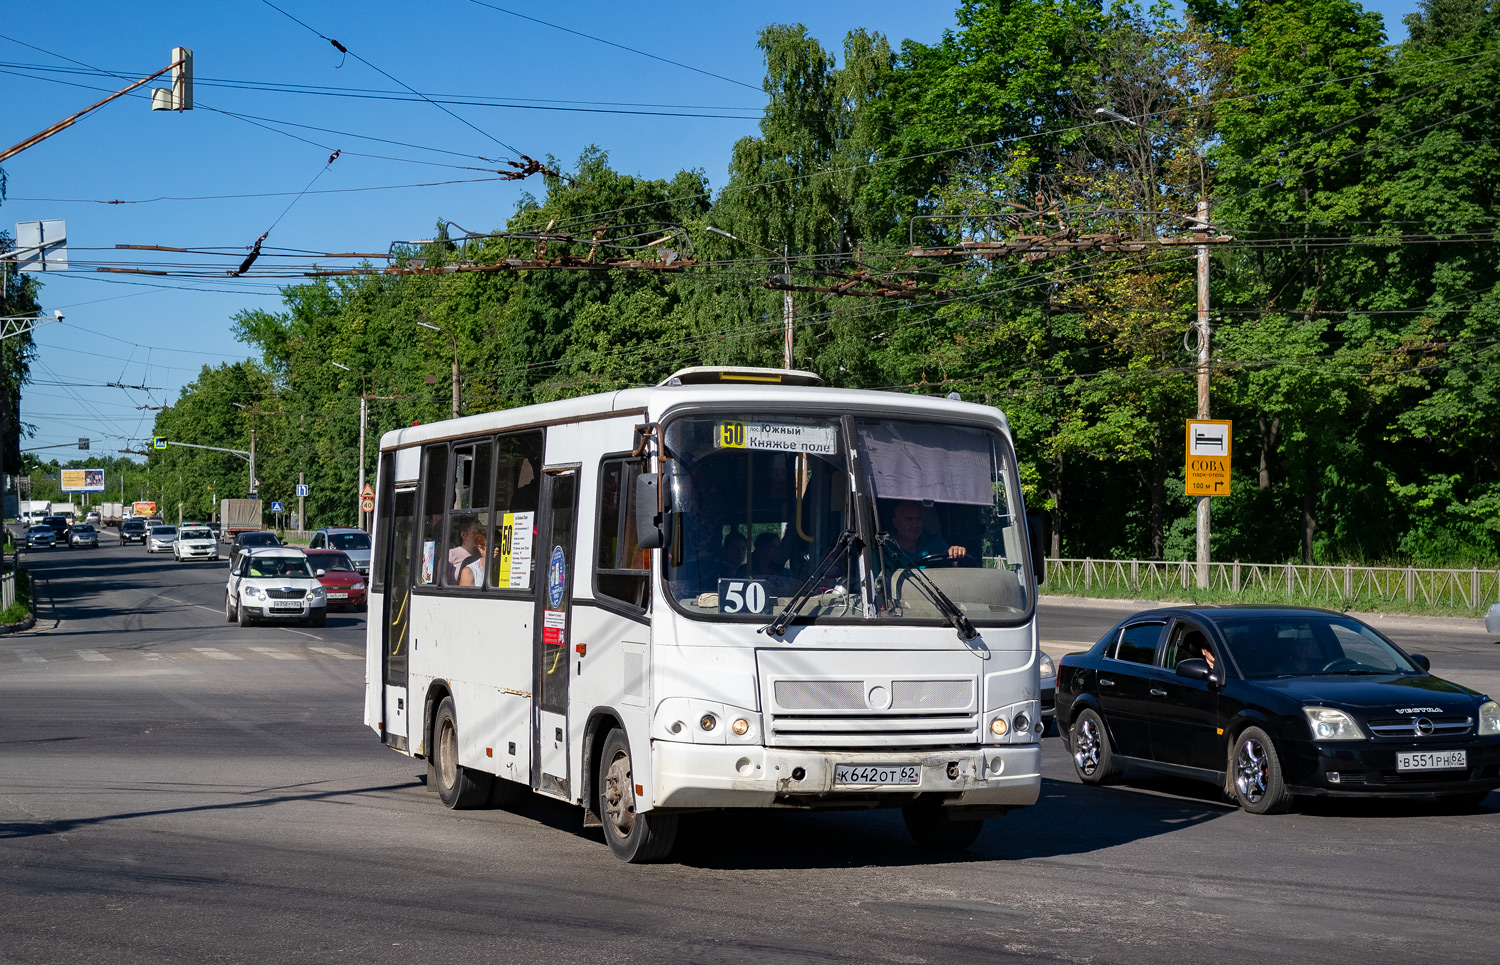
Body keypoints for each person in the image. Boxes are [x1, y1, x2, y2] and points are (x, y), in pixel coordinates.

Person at [888, 500, 966, 562]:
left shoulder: (936, 543)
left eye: (918, 518)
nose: (915, 525)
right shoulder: (885, 549)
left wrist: (956, 554)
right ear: (896, 523)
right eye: (909, 520)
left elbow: (952, 570)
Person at [448, 515, 480, 583]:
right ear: (464, 535)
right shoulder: (452, 554)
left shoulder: (481, 555)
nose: (477, 537)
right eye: (474, 533)